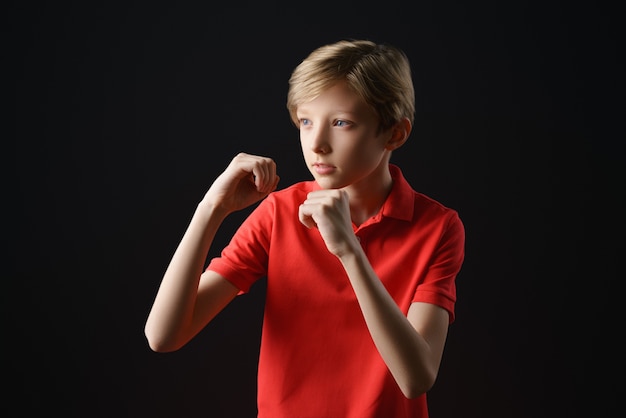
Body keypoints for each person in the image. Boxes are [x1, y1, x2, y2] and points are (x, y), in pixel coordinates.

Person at [144, 39, 465, 418]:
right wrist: (212, 208)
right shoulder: (280, 211)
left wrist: (349, 250)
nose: (317, 144)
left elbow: (416, 378)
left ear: (394, 134)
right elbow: (163, 336)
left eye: (341, 123)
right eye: (306, 121)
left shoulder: (438, 227)